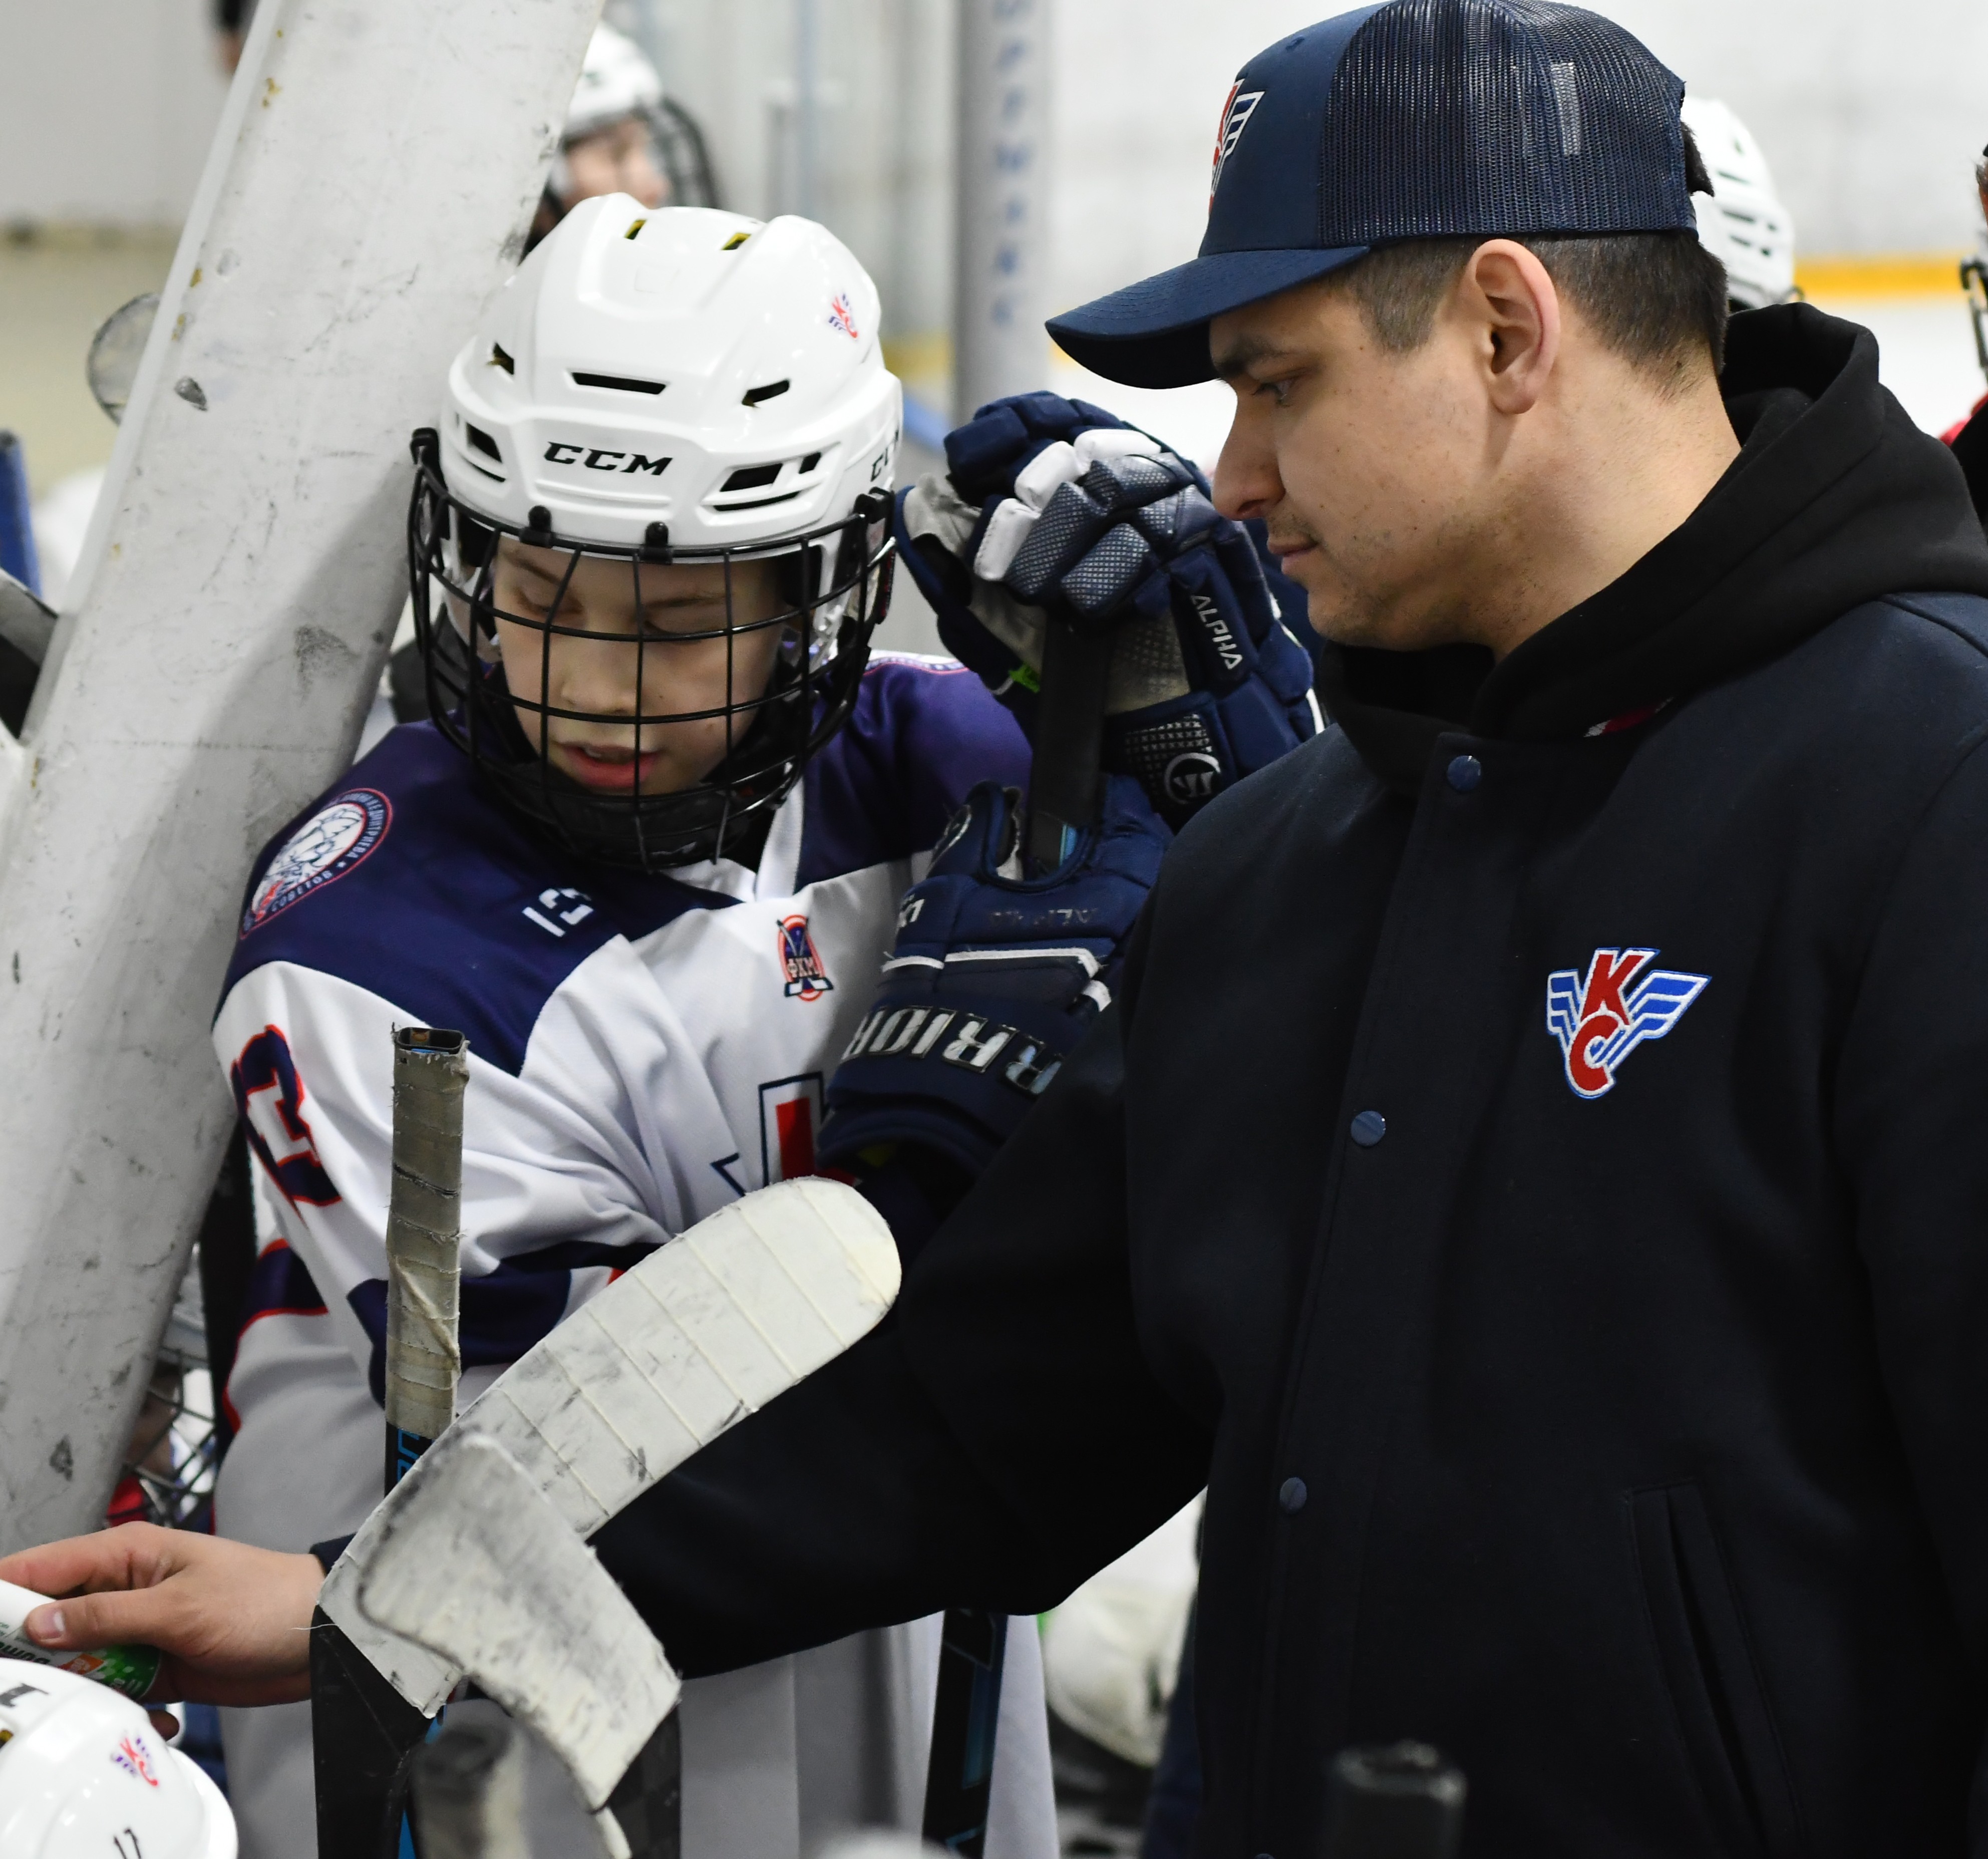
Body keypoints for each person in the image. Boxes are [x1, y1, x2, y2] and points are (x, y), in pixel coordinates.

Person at [21, 0, 1988, 1850]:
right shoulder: (1292, 864)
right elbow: (959, 1438)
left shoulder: (1930, 793)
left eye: (1275, 384)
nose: (1232, 478)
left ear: (1502, 331)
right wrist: (380, 1603)